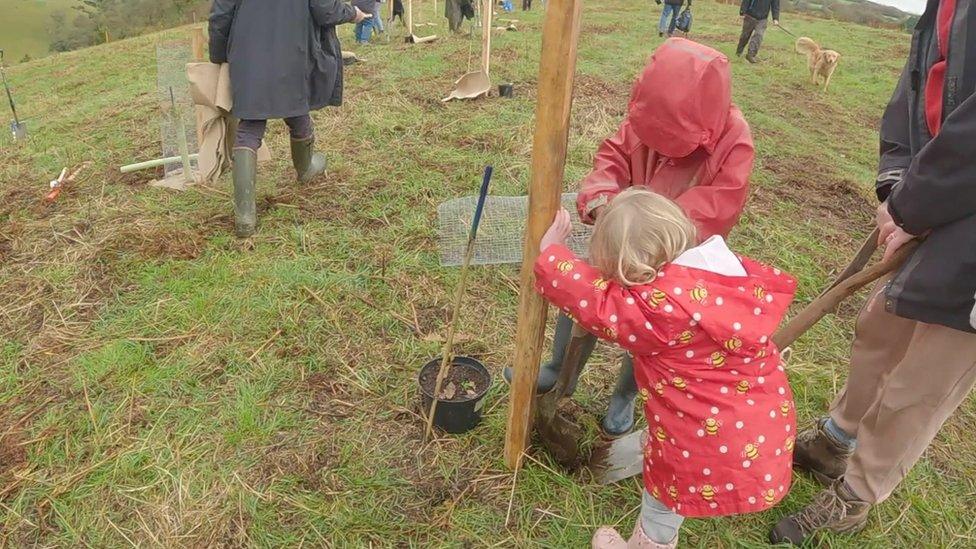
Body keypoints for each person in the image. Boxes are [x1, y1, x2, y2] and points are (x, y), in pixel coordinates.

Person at [769, 0, 976, 544]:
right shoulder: (942, 8)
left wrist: (914, 206)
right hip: (936, 196)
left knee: (926, 376)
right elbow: (912, 95)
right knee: (880, 326)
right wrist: (897, 188)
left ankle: (858, 494)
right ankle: (836, 439)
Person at [503, 38, 754, 437]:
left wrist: (651, 238)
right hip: (617, 230)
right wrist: (605, 206)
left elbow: (719, 205)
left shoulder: (733, 142)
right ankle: (557, 368)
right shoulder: (646, 113)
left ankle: (624, 394)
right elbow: (612, 159)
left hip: (675, 255)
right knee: (580, 298)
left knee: (652, 330)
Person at [533, 189, 798, 549]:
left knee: (663, 500)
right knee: (685, 473)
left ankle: (647, 544)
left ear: (632, 270)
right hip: (761, 422)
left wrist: (552, 255)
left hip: (702, 439)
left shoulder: (660, 308)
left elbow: (597, 303)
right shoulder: (718, 276)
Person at [209, 0, 370, 238]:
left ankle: (245, 216)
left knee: (252, 123)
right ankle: (305, 169)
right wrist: (352, 13)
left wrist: (220, 56)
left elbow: (220, 16)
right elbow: (325, 9)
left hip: (248, 53)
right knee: (296, 106)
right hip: (294, 51)